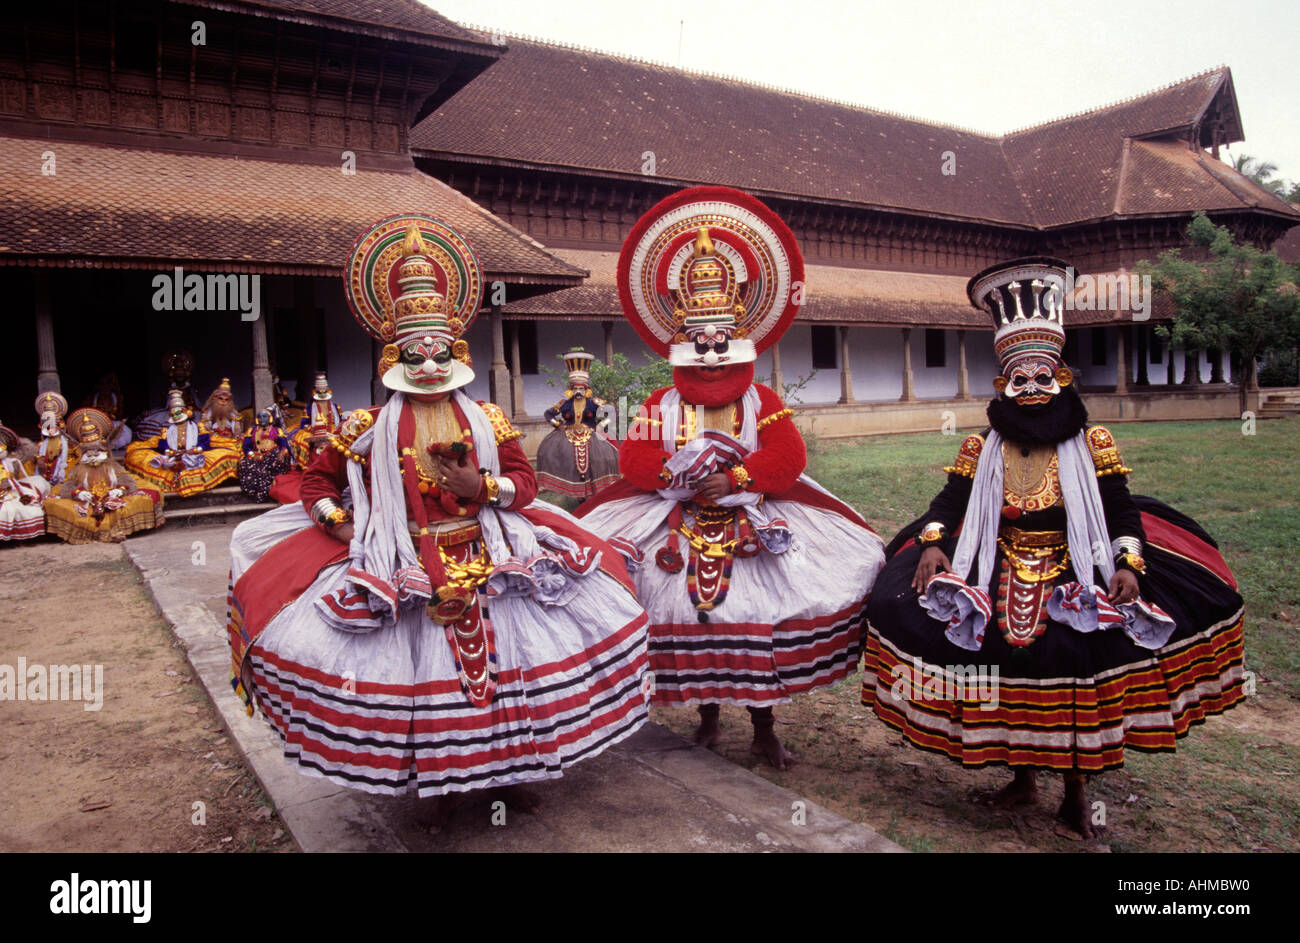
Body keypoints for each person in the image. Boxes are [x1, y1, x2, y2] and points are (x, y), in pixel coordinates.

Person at [226, 216, 649, 829]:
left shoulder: (487, 419)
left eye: (439, 351)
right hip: (401, 560)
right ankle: (443, 782)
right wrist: (337, 520)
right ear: (394, 353)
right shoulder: (365, 426)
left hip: (492, 552)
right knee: (435, 680)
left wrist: (484, 487)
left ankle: (511, 773)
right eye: (416, 352)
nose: (428, 364)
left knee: (511, 671)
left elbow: (525, 486)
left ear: (457, 351)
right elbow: (317, 481)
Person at [860, 256, 1247, 839]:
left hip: (1076, 566)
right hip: (995, 560)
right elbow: (948, 505)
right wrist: (934, 547)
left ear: (1062, 379)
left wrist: (1127, 564)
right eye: (1022, 380)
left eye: (1046, 377)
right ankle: (1020, 778)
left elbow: (1119, 511)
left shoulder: (1092, 443)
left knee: (1072, 663)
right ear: (1003, 387)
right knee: (997, 663)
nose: (1035, 390)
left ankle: (1075, 789)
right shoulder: (980, 446)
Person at [578, 186, 886, 769]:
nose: (713, 352)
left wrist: (739, 476)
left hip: (753, 518)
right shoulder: (662, 400)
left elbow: (788, 455)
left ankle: (764, 728)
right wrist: (680, 475)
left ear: (738, 335)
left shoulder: (761, 397)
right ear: (680, 340)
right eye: (700, 341)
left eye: (721, 340)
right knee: (684, 615)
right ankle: (706, 717)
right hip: (675, 518)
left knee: (758, 618)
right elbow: (635, 461)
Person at [44, 408, 164, 543]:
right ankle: (94, 534)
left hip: (111, 496)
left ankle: (115, 532)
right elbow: (67, 487)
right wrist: (78, 493)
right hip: (87, 500)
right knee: (65, 508)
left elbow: (128, 481)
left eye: (96, 452)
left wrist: (120, 490)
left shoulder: (111, 465)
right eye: (89, 453)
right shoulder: (78, 468)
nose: (93, 456)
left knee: (136, 502)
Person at [123, 388, 240, 497]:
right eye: (175, 416)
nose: (179, 421)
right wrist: (171, 452)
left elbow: (205, 443)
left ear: (186, 414)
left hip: (193, 453)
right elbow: (163, 446)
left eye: (180, 416)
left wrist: (194, 450)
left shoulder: (197, 427)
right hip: (174, 456)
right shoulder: (167, 430)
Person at [536, 348, 619, 500]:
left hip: (591, 434)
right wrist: (558, 425)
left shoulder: (594, 403)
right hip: (567, 434)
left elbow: (612, 412)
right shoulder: (564, 404)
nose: (578, 391)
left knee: (602, 459)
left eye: (581, 388)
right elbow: (548, 414)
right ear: (571, 390)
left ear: (586, 390)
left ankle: (594, 490)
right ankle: (574, 491)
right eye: (575, 389)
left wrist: (602, 425)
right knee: (548, 453)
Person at [134, 349, 198, 442]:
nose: (179, 374)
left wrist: (189, 411)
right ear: (172, 374)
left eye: (181, 372)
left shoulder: (191, 390)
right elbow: (164, 406)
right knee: (153, 419)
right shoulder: (169, 390)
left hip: (187, 412)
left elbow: (195, 405)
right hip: (171, 412)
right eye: (177, 371)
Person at [0, 422, 48, 542]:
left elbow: (28, 450)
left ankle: (20, 538)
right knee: (6, 510)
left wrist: (14, 438)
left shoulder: (10, 462)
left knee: (27, 507)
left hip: (10, 492)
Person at [237, 408, 293, 502]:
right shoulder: (251, 431)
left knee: (274, 461)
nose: (262, 419)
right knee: (245, 465)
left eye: (264, 416)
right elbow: (246, 447)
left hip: (272, 455)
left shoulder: (277, 430)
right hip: (258, 455)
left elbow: (283, 444)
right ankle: (257, 493)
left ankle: (270, 492)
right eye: (259, 417)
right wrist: (252, 455)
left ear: (270, 418)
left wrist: (283, 451)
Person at [289, 372, 343, 468]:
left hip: (333, 430)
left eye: (324, 390)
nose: (322, 395)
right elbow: (304, 424)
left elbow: (340, 420)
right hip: (316, 431)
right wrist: (313, 428)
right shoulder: (310, 407)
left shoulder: (334, 406)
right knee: (304, 439)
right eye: (320, 391)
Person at [28, 392, 76, 487]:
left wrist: (62, 468)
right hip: (46, 462)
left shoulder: (63, 439)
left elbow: (64, 455)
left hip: (58, 461)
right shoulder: (44, 441)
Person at [83, 372, 133, 450]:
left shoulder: (117, 397)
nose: (105, 387)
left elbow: (120, 415)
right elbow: (86, 415)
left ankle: (113, 446)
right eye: (102, 384)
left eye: (107, 384)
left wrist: (109, 420)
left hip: (113, 423)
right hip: (96, 425)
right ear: (98, 386)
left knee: (127, 431)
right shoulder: (91, 398)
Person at [199, 378, 244, 450]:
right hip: (214, 442)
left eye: (226, 400)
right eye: (221, 398)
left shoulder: (234, 414)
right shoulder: (207, 414)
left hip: (230, 442)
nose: (223, 401)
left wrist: (235, 436)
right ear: (215, 398)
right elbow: (205, 431)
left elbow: (237, 431)